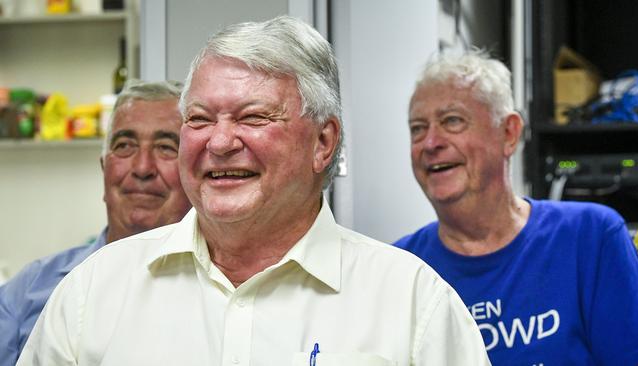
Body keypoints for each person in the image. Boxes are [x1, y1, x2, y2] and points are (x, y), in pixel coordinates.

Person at [17, 16, 490, 365]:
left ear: (322, 143)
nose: (219, 143)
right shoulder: (94, 291)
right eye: (199, 119)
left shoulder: (411, 304)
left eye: (253, 117)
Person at [394, 50, 638, 365]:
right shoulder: (399, 269)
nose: (431, 143)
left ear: (509, 133)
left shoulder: (591, 237)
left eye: (452, 121)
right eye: (418, 128)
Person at [0, 79, 192, 366]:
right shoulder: (30, 288)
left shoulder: (219, 286)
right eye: (125, 146)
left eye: (166, 147)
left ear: (194, 171)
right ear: (105, 168)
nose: (142, 169)